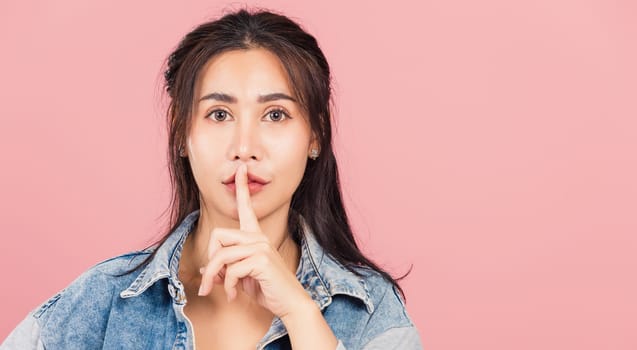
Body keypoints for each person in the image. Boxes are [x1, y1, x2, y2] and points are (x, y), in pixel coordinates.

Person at [1, 7, 423, 350]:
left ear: (314, 135)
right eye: (219, 115)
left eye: (275, 115)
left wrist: (302, 315)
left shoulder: (371, 315)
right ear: (182, 132)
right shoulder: (103, 303)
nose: (244, 146)